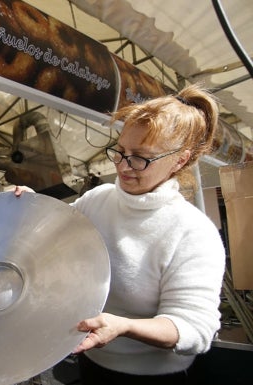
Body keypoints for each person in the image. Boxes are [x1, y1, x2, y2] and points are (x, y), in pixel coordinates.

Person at [15, 83, 226, 384]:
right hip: (91, 362)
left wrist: (124, 326)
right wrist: (31, 204)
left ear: (180, 160)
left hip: (153, 376)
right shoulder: (97, 199)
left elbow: (194, 328)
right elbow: (56, 233)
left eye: (141, 157)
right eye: (120, 151)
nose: (124, 166)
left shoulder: (193, 233)